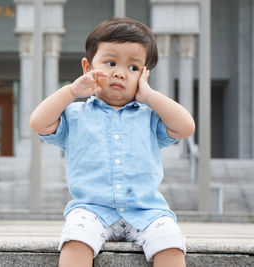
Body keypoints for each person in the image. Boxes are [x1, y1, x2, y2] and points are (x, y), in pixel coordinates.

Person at [30, 17, 195, 267]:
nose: (119, 72)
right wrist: (71, 91)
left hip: (146, 210)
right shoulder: (76, 115)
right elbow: (38, 122)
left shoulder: (151, 117)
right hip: (92, 209)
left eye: (133, 68)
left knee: (170, 243)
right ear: (88, 67)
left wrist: (149, 95)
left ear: (144, 75)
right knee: (75, 241)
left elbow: (186, 127)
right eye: (110, 63)